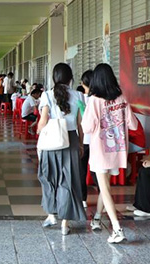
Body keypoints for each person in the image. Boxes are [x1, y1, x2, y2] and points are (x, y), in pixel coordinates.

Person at [82, 63, 137, 244]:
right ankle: (97, 218)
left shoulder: (94, 100)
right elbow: (133, 125)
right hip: (118, 151)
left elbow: (87, 127)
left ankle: (117, 229)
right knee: (105, 187)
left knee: (104, 188)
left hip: (100, 150)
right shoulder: (121, 98)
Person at [37, 63, 87, 236]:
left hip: (51, 140)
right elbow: (80, 124)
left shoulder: (47, 95)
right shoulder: (79, 95)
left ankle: (51, 215)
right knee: (68, 180)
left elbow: (43, 121)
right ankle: (65, 223)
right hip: (70, 139)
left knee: (49, 176)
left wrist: (39, 132)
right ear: (70, 78)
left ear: (54, 77)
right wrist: (80, 143)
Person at [77, 70, 94, 210]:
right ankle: (104, 198)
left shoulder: (81, 98)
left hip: (85, 139)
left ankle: (83, 199)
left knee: (82, 170)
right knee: (97, 171)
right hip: (97, 140)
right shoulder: (101, 98)